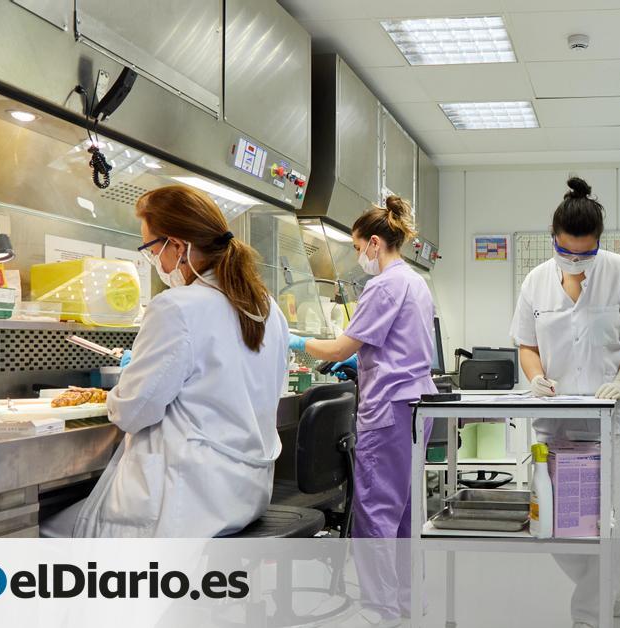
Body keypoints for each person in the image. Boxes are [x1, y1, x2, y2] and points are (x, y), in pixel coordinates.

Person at [41, 185, 288, 538]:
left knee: (42, 532)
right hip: (244, 495)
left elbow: (133, 413)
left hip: (184, 505)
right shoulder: (267, 307)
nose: (153, 260)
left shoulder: (176, 307)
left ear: (178, 246)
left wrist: (119, 390)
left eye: (151, 249)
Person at [510, 177, 620, 628]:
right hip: (556, 421)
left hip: (617, 420)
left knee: (612, 522)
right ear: (553, 238)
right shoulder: (535, 281)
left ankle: (589, 616)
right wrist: (535, 378)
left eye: (584, 253)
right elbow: (527, 344)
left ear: (598, 243)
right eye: (566, 251)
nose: (575, 260)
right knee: (555, 520)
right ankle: (615, 569)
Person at [290, 195, 436, 627]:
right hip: (415, 405)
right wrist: (362, 361)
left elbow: (338, 347)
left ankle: (380, 610)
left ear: (374, 243)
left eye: (357, 247)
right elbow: (395, 344)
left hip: (389, 408)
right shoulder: (415, 282)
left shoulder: (384, 285)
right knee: (405, 510)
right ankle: (408, 602)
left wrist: (293, 340)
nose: (358, 256)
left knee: (376, 512)